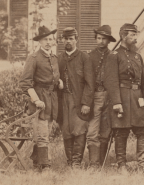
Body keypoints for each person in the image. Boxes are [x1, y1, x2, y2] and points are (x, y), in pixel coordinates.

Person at [104, 23, 144, 174]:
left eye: (136, 34)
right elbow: (111, 81)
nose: (135, 38)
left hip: (137, 98)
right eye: (132, 35)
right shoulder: (113, 56)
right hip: (122, 98)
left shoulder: (137, 56)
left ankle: (143, 165)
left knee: (143, 130)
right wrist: (117, 102)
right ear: (123, 36)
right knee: (121, 131)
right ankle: (121, 165)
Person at [19, 26, 61, 172]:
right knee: (42, 134)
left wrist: (59, 82)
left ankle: (36, 164)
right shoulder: (34, 58)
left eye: (50, 39)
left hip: (52, 100)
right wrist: (36, 100)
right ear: (40, 42)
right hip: (39, 101)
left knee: (43, 133)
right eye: (45, 40)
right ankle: (45, 167)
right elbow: (25, 83)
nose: (48, 42)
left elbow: (53, 76)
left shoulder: (54, 58)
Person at [58, 27, 94, 168]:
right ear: (62, 40)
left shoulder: (84, 57)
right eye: (66, 39)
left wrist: (86, 103)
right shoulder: (59, 58)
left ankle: (77, 162)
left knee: (79, 129)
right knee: (66, 130)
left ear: (76, 40)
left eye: (71, 39)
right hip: (63, 100)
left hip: (78, 101)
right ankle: (70, 161)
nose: (68, 41)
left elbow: (90, 83)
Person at [86, 25, 116, 168]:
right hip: (95, 96)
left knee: (106, 130)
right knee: (92, 130)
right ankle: (93, 163)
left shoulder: (114, 56)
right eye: (99, 38)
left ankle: (102, 163)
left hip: (110, 97)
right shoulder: (89, 56)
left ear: (109, 40)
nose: (101, 41)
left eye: (104, 39)